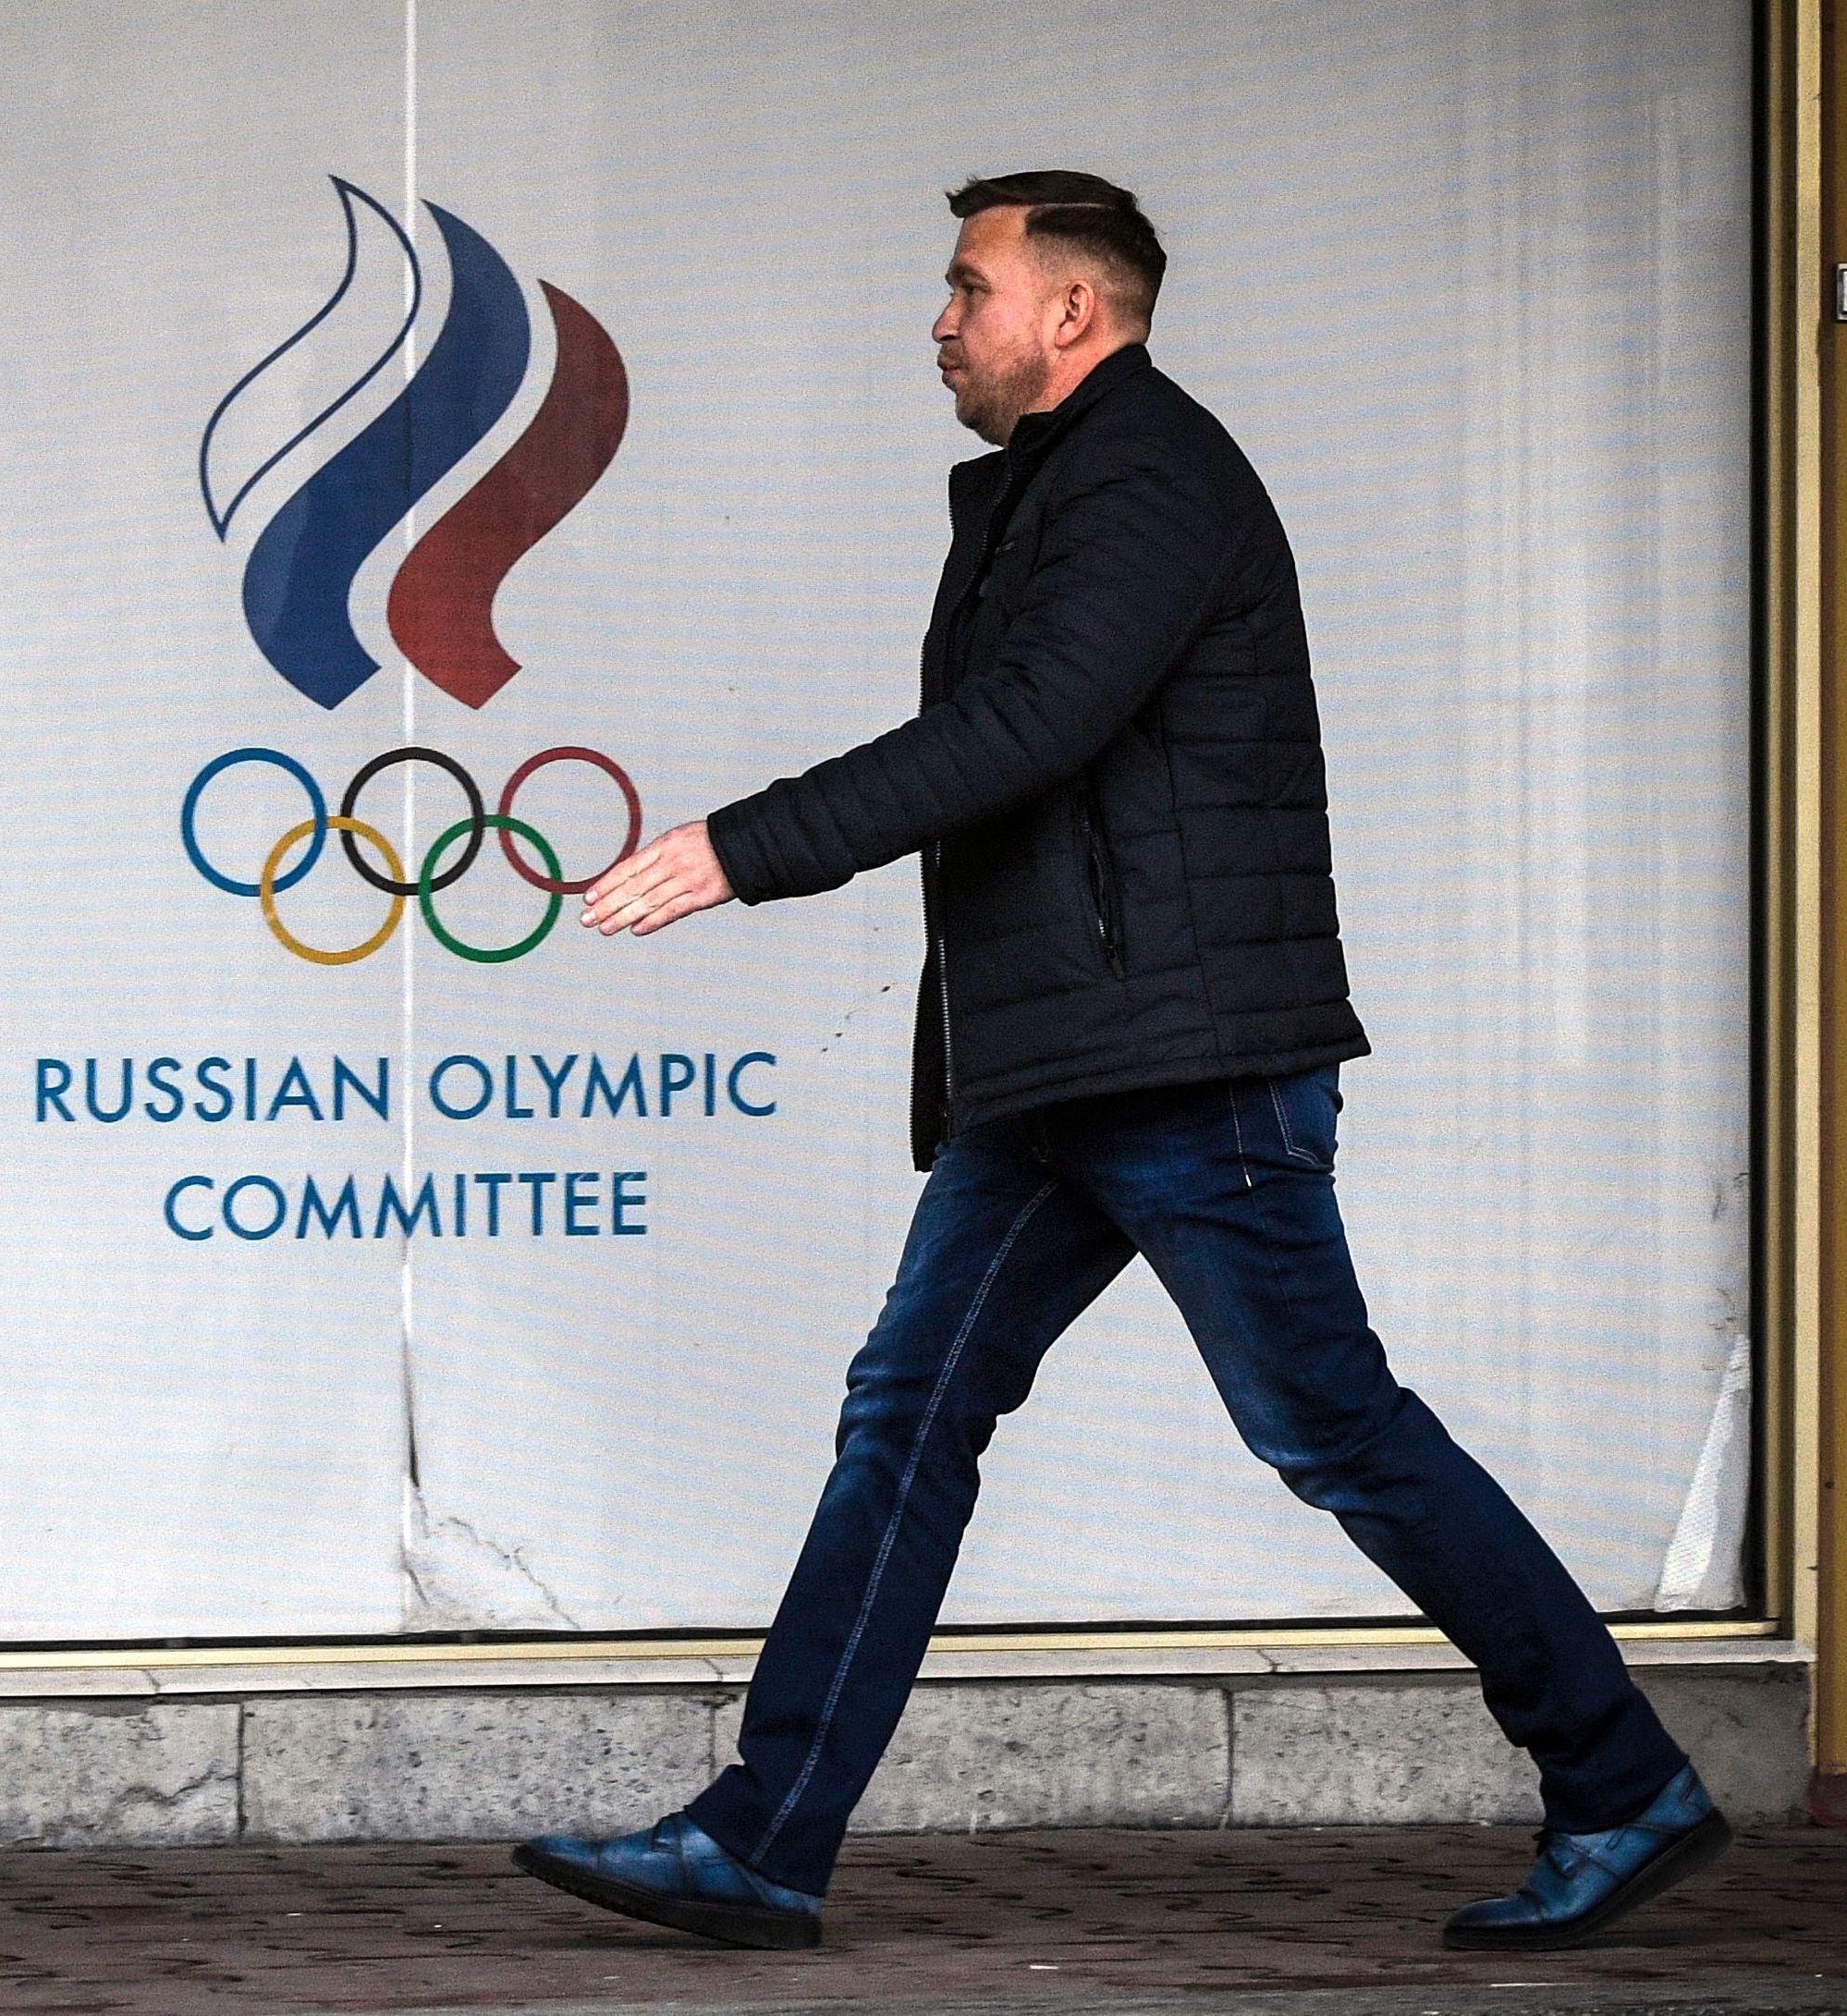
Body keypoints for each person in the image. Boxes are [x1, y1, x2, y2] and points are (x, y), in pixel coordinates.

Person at [512, 170, 1726, 1955]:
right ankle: (764, 1837)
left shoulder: (1150, 475)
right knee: (909, 1411)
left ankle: (1621, 1779)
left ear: (1071, 311)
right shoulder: (1052, 487)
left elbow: (1022, 729)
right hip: (1069, 1071)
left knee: (1331, 1426)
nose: (941, 322)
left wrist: (739, 848)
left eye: (969, 287)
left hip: (1187, 1068)